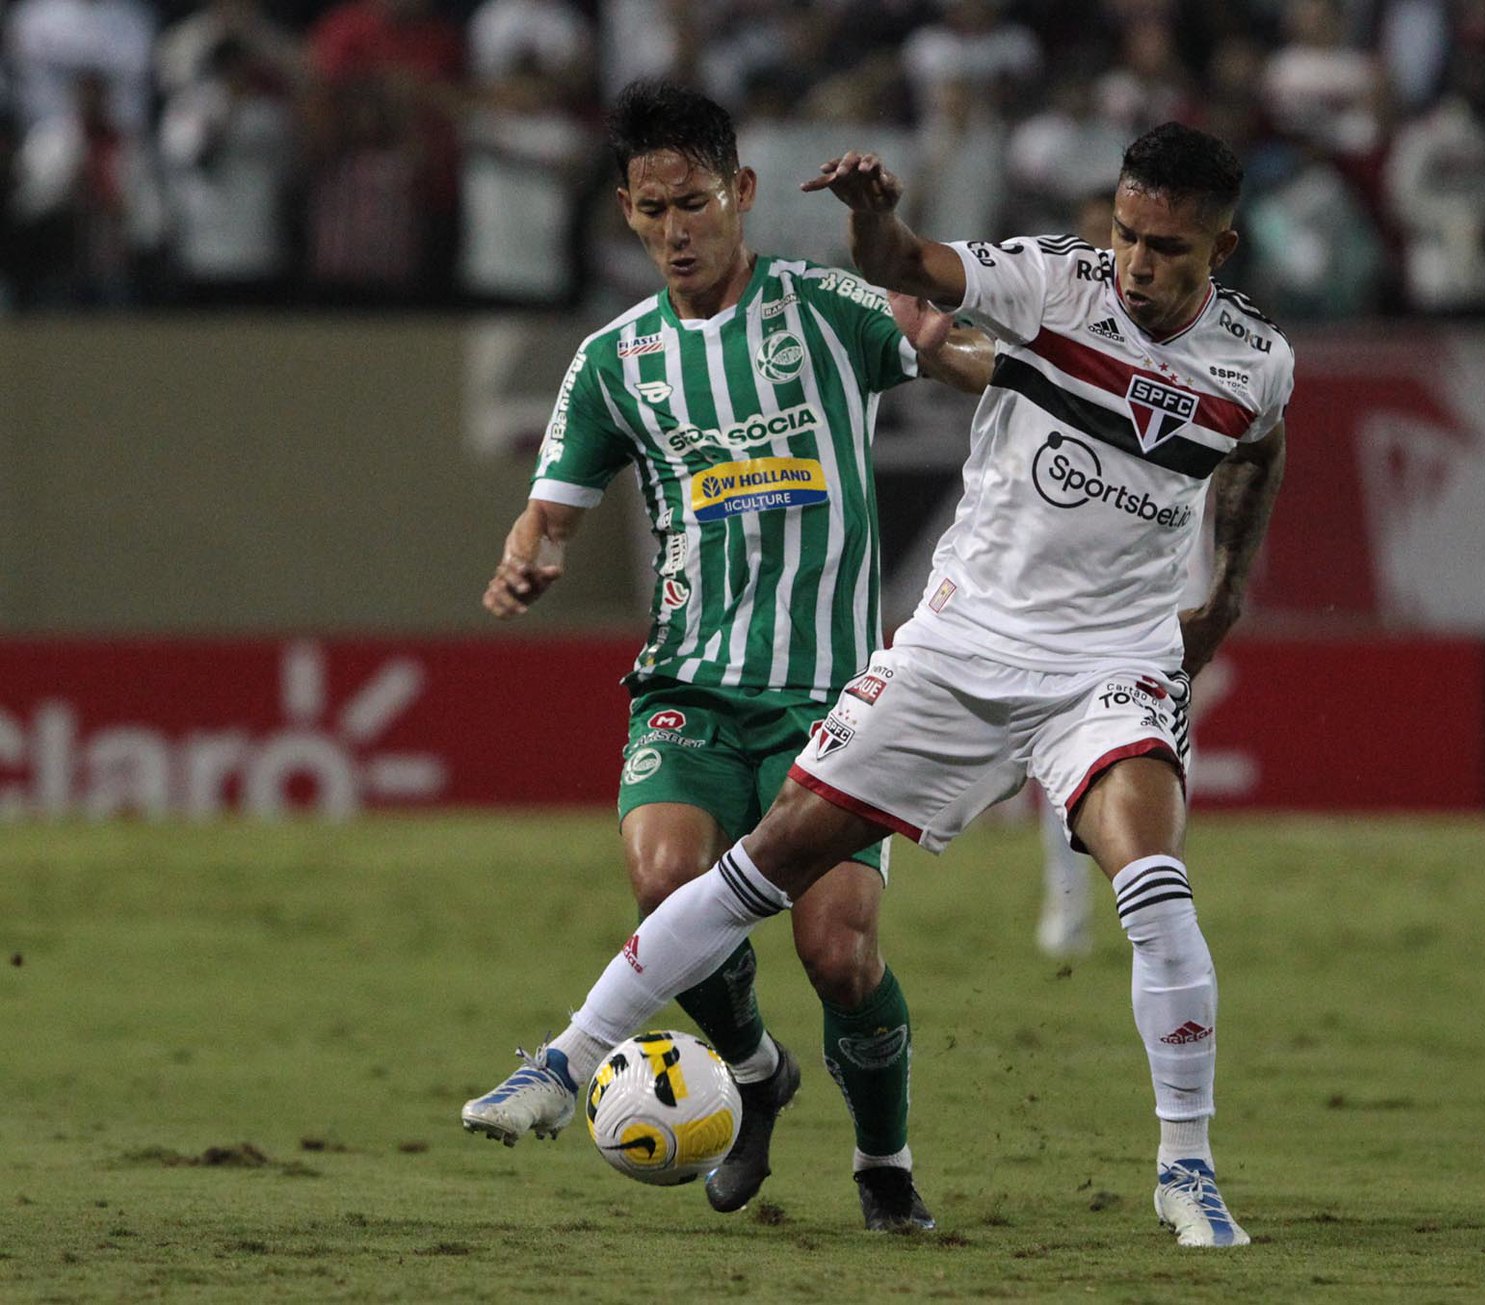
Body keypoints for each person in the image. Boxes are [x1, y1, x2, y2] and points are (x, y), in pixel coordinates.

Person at [465, 119, 1291, 1249]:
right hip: (959, 646)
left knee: (1150, 880)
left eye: (1169, 251)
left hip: (1111, 659)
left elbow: (1257, 441)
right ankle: (566, 1061)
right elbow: (907, 267)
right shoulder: (1050, 279)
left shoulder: (1254, 358)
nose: (1139, 266)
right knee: (767, 866)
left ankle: (1185, 1171)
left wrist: (1225, 595)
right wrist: (872, 219)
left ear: (1221, 250)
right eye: (1130, 235)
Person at [459, 81, 994, 1234]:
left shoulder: (821, 309)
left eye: (693, 203)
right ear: (627, 211)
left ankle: (882, 1160)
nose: (673, 231)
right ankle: (752, 1072)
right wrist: (527, 558)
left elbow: (942, 349)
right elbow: (548, 509)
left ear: (740, 194)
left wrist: (982, 360)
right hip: (690, 683)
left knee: (838, 954)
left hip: (834, 699)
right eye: (650, 210)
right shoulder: (613, 362)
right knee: (662, 877)